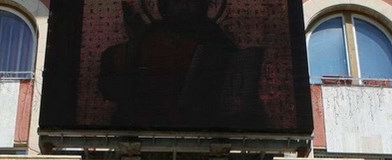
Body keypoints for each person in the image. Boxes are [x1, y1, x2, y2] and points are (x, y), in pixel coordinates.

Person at [99, 0, 267, 129]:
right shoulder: (146, 37)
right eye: (177, 1)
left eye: (191, 1)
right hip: (148, 126)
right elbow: (113, 84)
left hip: (203, 126)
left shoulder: (217, 40)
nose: (184, 6)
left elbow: (238, 94)